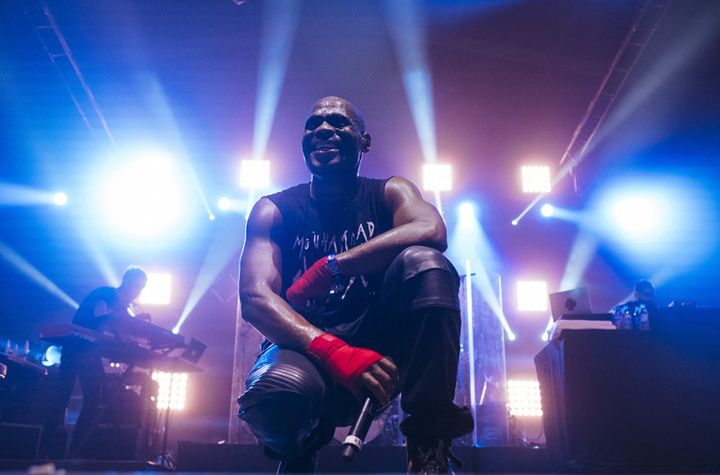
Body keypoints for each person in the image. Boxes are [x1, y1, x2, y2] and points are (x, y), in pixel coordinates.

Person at [237, 96, 473, 473]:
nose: (323, 130)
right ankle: (301, 450)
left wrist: (333, 266)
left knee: (428, 264)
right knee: (276, 394)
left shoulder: (389, 193)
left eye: (338, 122)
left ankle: (427, 444)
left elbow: (431, 230)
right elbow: (254, 297)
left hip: (378, 342)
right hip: (306, 347)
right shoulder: (275, 209)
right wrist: (334, 352)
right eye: (313, 124)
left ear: (364, 140)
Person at [41, 266, 149, 458]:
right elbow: (106, 321)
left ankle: (72, 451)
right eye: (139, 287)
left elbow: (118, 330)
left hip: (88, 352)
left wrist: (133, 334)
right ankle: (50, 450)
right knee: (69, 399)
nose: (139, 292)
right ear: (130, 282)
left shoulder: (121, 305)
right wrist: (131, 331)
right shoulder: (106, 294)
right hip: (78, 348)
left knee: (87, 400)